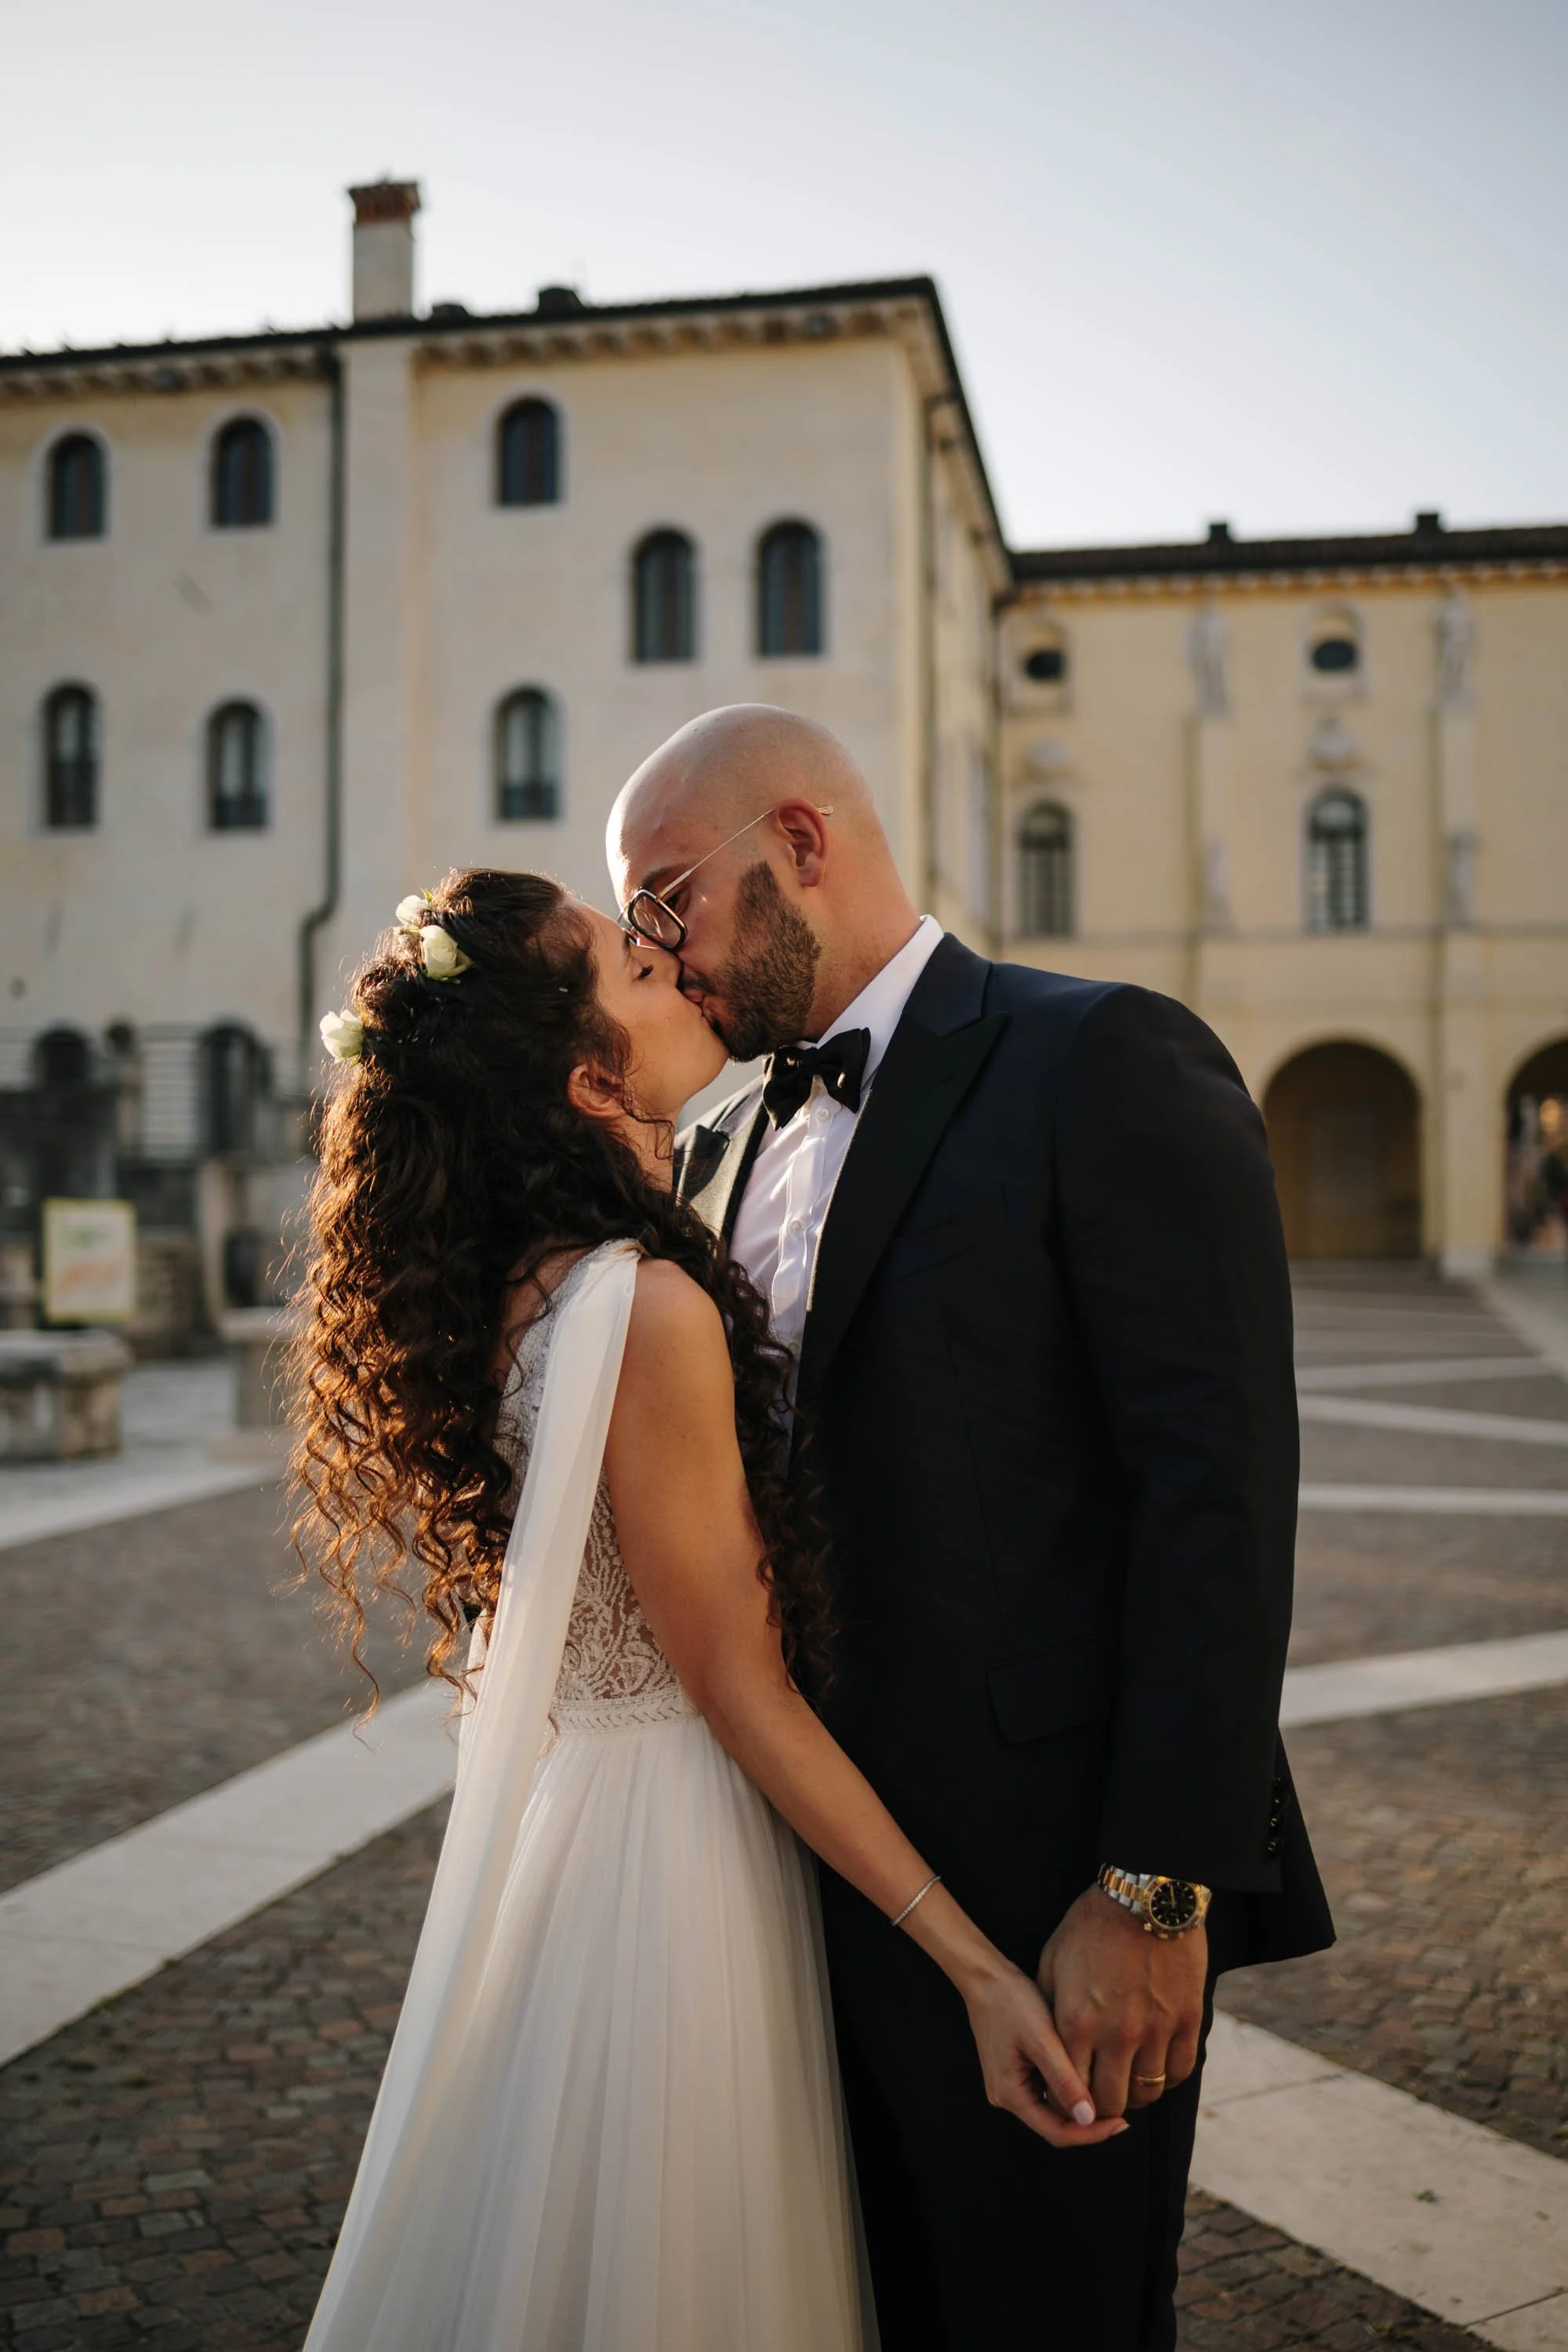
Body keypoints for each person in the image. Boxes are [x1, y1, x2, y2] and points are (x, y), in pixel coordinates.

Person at [293, 870, 1125, 2352]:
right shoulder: (642, 1307)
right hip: (670, 1857)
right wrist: (980, 1971)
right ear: (585, 1077)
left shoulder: (519, 1284)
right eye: (635, 964)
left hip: (577, 1823)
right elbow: (742, 1689)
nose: (675, 967)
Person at [608, 707, 1335, 2352]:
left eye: (669, 899)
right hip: (784, 1895)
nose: (658, 951)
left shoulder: (1102, 1058)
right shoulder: (715, 1145)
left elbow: (1218, 1495)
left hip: (1045, 1892)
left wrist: (1155, 1890)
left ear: (799, 844)